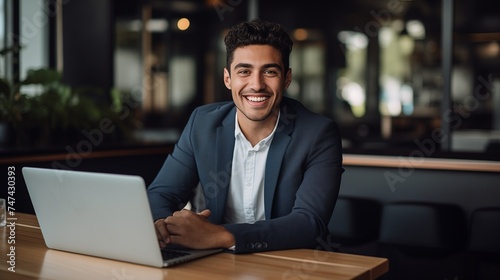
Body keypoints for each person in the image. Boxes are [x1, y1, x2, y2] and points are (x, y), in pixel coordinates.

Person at [147, 18, 344, 254]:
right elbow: (161, 194)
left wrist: (220, 235)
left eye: (269, 71)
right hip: (215, 262)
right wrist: (162, 225)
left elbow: (310, 223)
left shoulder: (318, 133)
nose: (257, 84)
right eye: (244, 71)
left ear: (287, 79)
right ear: (228, 78)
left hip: (288, 263)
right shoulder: (203, 123)